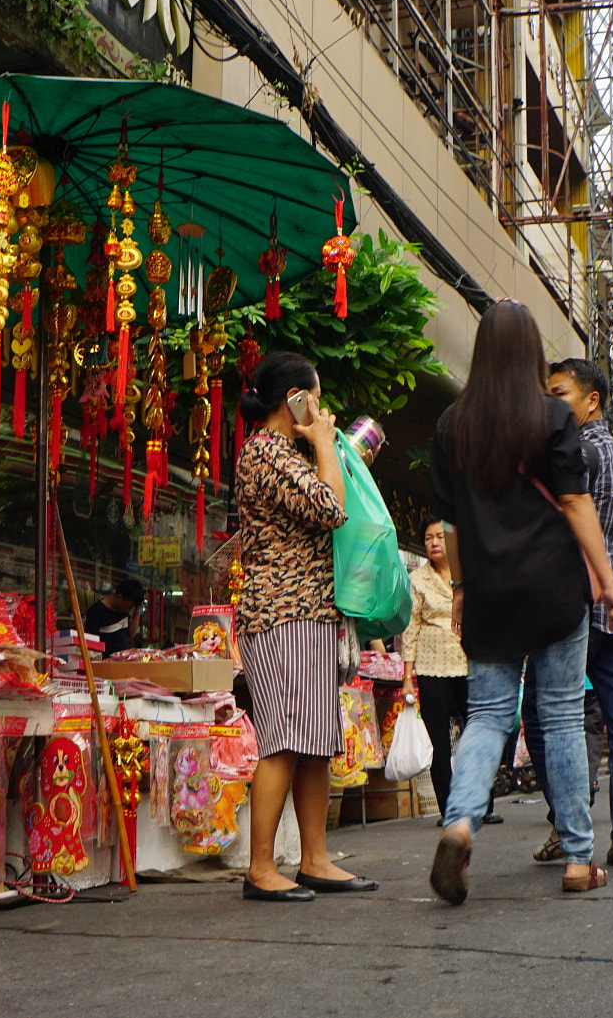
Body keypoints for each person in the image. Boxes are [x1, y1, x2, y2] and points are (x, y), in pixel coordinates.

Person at [426, 301, 613, 905]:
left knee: (488, 715)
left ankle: (460, 822)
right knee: (564, 715)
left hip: (489, 592)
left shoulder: (451, 426)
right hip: (553, 588)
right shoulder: (550, 416)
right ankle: (576, 858)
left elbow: (453, 524)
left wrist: (462, 588)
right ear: (532, 353)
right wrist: (611, 583)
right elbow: (575, 503)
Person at [232, 351, 375, 902]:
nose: (321, 408)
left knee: (316, 739)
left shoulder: (280, 454)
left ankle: (315, 859)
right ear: (294, 398)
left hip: (308, 614)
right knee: (286, 739)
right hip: (281, 614)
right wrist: (320, 442)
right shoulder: (267, 454)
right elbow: (331, 507)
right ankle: (261, 868)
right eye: (313, 396)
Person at [519, 357, 613, 868]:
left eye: (559, 395)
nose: (549, 406)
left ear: (591, 400)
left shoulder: (574, 450)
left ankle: (567, 823)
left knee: (545, 714)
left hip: (582, 600)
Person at [402, 517, 469, 818]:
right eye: (428, 538)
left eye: (440, 536)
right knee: (438, 740)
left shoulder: (465, 574)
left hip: (468, 663)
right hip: (431, 667)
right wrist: (406, 676)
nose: (434, 543)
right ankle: (450, 808)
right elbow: (410, 628)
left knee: (476, 731)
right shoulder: (417, 580)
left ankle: (481, 801)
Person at [85, 579, 146, 657]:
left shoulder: (123, 610)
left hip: (124, 660)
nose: (129, 610)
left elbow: (131, 633)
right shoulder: (96, 611)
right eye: (128, 606)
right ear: (119, 597)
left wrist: (137, 610)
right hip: (106, 661)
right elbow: (90, 643)